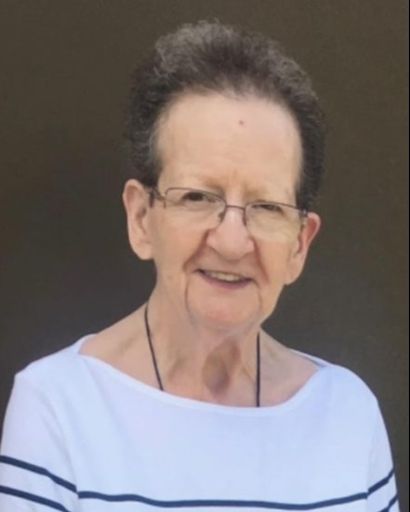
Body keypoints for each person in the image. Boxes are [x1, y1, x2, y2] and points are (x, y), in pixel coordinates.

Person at [0, 20, 399, 512]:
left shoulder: (348, 416)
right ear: (141, 218)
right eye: (197, 197)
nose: (232, 243)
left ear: (300, 244)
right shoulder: (58, 408)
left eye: (267, 207)